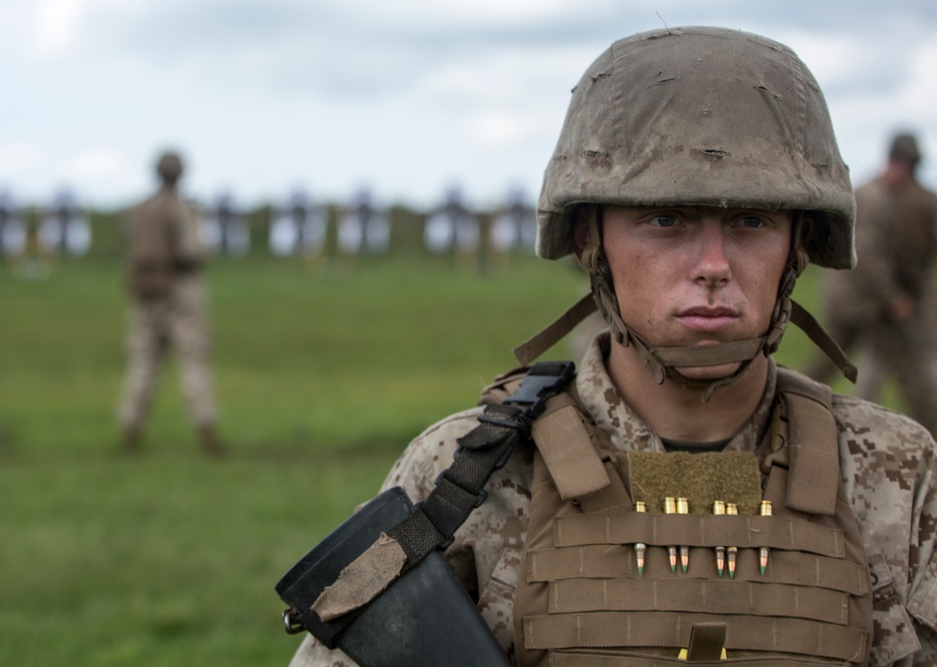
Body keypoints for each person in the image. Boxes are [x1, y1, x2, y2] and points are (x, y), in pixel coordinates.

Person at [285, 27, 937, 666]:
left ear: (798, 244)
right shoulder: (466, 478)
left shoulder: (893, 473)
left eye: (751, 221)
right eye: (665, 220)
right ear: (591, 241)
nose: (713, 264)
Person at [809, 133, 937, 435]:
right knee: (907, 367)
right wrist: (894, 298)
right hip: (859, 302)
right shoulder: (872, 197)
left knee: (831, 363)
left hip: (863, 302)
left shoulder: (879, 195)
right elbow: (868, 257)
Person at [115, 151, 225, 456]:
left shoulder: (139, 210)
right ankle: (206, 430)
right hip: (180, 293)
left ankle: (130, 430)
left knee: (142, 365)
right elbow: (193, 251)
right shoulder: (182, 209)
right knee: (193, 363)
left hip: (144, 293)